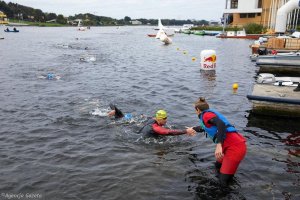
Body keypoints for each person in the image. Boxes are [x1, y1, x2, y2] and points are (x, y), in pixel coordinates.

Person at [187, 97, 247, 187]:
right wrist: (193, 129)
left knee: (222, 182)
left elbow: (221, 124)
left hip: (235, 147)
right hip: (229, 146)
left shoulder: (206, 115)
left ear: (197, 110)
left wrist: (219, 145)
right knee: (217, 166)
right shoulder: (208, 115)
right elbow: (205, 127)